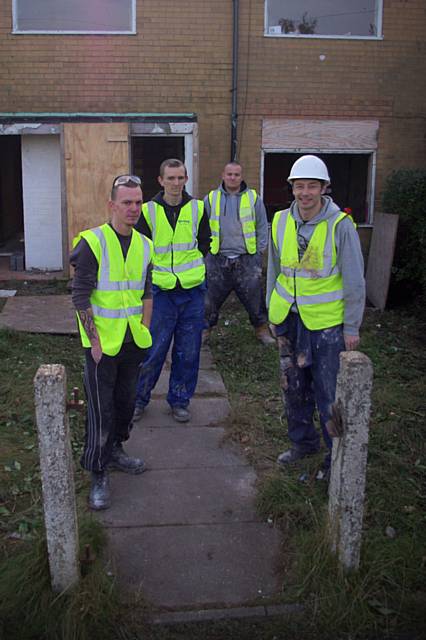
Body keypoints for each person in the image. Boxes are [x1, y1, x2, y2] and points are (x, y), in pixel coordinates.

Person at [266, 155, 365, 478]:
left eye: (312, 186)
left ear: (324, 188)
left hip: (326, 326)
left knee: (327, 391)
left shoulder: (340, 225)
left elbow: (354, 279)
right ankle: (302, 443)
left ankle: (334, 457)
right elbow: (274, 269)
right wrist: (271, 309)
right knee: (293, 387)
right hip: (289, 321)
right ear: (292, 188)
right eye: (299, 186)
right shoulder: (280, 220)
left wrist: (351, 326)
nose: (305, 192)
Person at [70, 175, 153, 510]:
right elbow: (79, 296)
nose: (133, 209)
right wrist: (94, 341)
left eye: (138, 202)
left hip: (132, 340)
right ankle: (98, 469)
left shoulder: (145, 244)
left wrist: (145, 329)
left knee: (125, 402)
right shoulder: (93, 242)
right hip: (101, 345)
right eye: (126, 203)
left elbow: (147, 291)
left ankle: (117, 451)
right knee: (100, 410)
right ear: (112, 205)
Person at [133, 159, 211, 423]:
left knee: (188, 351)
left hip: (192, 293)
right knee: (152, 350)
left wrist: (189, 272)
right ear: (161, 180)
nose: (176, 183)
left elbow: (205, 244)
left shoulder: (198, 208)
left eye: (180, 178)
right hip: (160, 294)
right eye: (171, 178)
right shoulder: (148, 211)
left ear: (186, 179)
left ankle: (180, 400)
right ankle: (138, 399)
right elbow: (141, 250)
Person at [203, 161, 275, 345]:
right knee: (209, 298)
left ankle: (261, 329)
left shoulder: (253, 198)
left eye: (236, 174)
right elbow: (203, 227)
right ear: (223, 175)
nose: (233, 178)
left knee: (254, 297)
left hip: (247, 258)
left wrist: (259, 251)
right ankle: (205, 330)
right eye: (229, 174)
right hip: (217, 257)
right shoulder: (211, 199)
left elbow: (261, 225)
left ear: (241, 177)